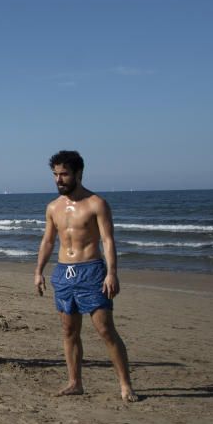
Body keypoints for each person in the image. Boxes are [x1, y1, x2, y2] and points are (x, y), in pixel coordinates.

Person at [34, 150, 137, 402]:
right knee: (69, 330)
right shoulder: (53, 207)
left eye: (64, 174)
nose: (59, 180)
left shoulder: (96, 204)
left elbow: (108, 240)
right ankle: (75, 382)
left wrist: (112, 273)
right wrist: (38, 271)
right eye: (55, 175)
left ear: (79, 173)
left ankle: (125, 385)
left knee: (104, 329)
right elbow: (48, 241)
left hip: (91, 271)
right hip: (63, 272)